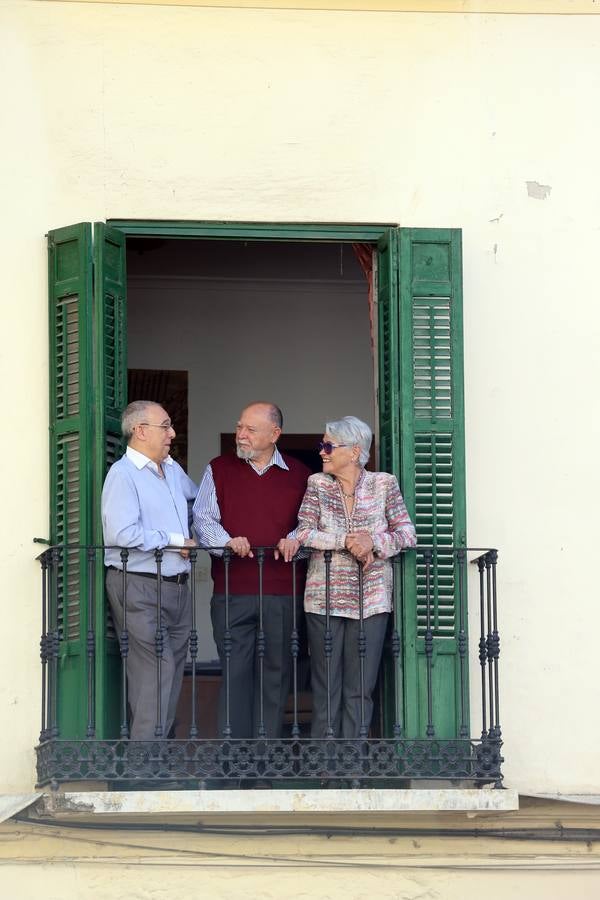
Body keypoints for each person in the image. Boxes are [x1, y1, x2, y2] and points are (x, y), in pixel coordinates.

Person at [193, 402, 310, 739]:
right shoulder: (218, 468)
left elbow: (309, 522)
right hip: (232, 591)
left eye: (250, 429)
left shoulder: (301, 474)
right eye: (239, 426)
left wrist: (293, 540)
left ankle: (266, 759)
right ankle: (233, 762)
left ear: (275, 434)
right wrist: (227, 541)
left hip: (284, 593)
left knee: (276, 675)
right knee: (235, 673)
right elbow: (202, 519)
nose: (240, 435)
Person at [296, 415, 417, 739]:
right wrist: (344, 541)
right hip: (323, 600)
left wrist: (373, 544)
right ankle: (325, 765)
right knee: (326, 688)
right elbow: (304, 532)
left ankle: (354, 765)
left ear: (354, 451)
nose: (321, 451)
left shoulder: (384, 484)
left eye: (327, 445)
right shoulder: (317, 484)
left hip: (372, 601)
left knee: (360, 687)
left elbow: (407, 533)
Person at [102, 401, 198, 740]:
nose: (172, 433)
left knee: (170, 674)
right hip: (138, 585)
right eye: (166, 425)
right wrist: (176, 540)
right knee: (156, 670)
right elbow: (122, 535)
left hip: (178, 587)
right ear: (140, 431)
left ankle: (157, 758)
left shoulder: (172, 470)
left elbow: (197, 503)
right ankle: (145, 767)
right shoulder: (122, 475)